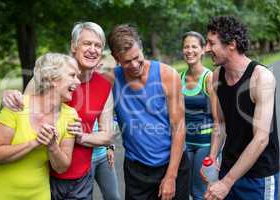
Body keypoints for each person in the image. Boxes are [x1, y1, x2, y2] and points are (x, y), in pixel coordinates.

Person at [1, 22, 114, 200]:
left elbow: (107, 135)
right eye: (87, 43)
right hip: (43, 174)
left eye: (98, 45)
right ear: (73, 46)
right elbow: (19, 111)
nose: (93, 49)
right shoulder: (49, 77)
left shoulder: (104, 86)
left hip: (80, 180)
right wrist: (8, 96)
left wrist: (81, 137)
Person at [108, 24, 190, 200]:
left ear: (141, 48)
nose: (135, 64)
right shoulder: (111, 79)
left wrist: (171, 177)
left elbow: (179, 127)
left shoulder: (168, 75)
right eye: (127, 62)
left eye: (138, 57)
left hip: (173, 164)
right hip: (136, 170)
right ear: (116, 58)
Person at [203, 16, 280, 200]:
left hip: (258, 176)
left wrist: (226, 183)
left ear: (231, 44)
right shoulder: (215, 77)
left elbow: (261, 139)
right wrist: (212, 158)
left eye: (211, 43)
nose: (206, 49)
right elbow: (220, 123)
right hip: (228, 169)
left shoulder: (261, 78)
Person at [0, 53, 80, 199]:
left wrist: (53, 146)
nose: (78, 82)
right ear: (53, 79)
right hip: (2, 193)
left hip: (39, 194)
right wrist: (35, 142)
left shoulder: (70, 115)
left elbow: (61, 167)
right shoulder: (17, 105)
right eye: (72, 75)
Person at [181, 31, 219, 200]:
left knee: (200, 191)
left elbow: (219, 120)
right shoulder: (179, 77)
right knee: (186, 189)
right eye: (186, 47)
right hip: (184, 143)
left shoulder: (208, 78)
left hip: (204, 144)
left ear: (203, 50)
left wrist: (213, 154)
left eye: (194, 46)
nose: (190, 50)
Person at [91, 119, 121, 200]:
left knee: (113, 197)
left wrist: (110, 146)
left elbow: (112, 120)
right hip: (84, 158)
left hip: (103, 156)